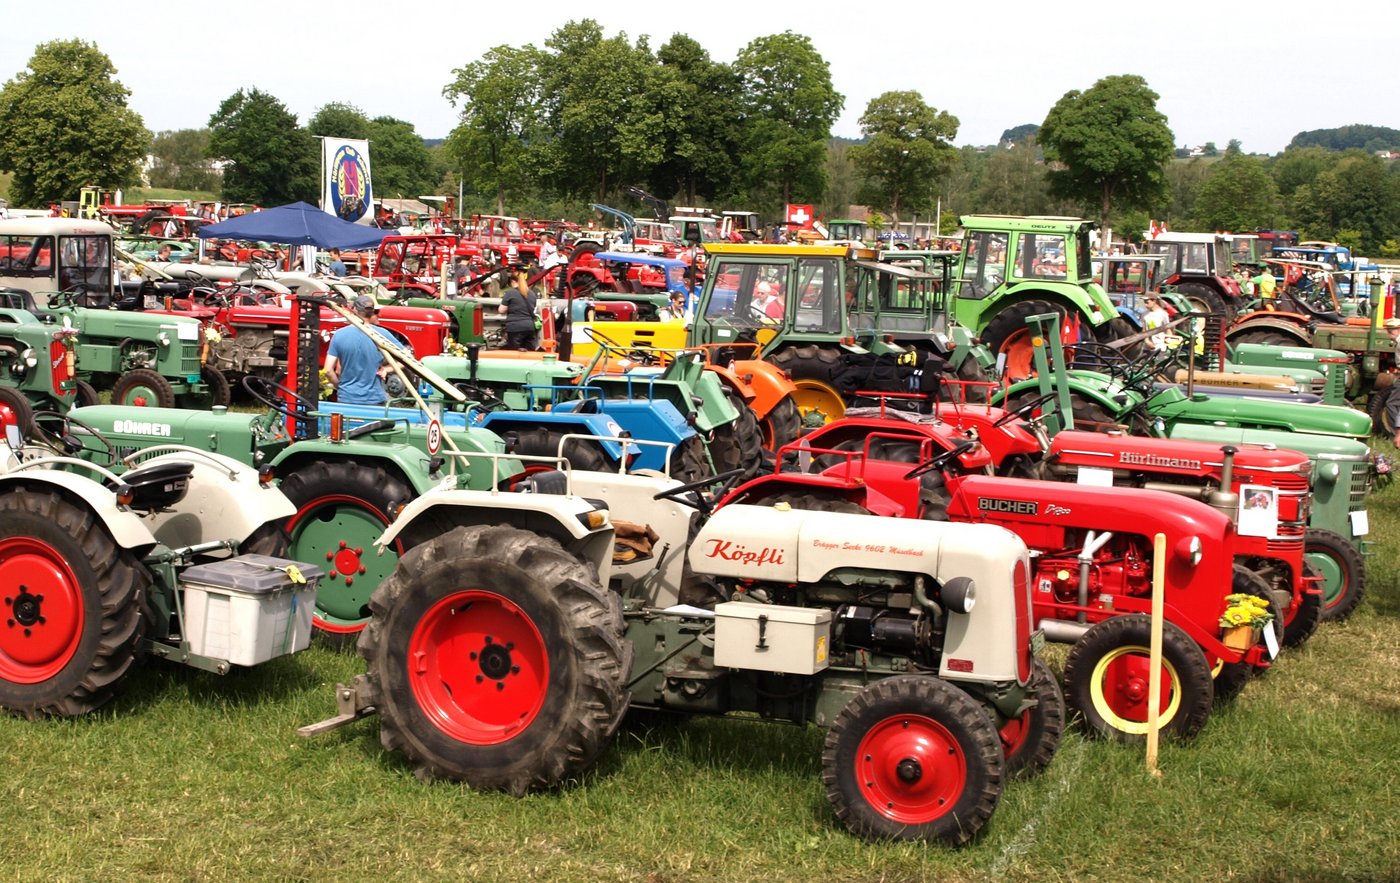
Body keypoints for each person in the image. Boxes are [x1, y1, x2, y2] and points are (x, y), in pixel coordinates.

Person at [324, 294, 404, 405]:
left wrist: (340, 386)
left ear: (354, 309)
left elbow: (328, 370)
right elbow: (407, 358)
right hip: (375, 399)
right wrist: (386, 369)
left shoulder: (339, 335)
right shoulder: (381, 334)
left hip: (346, 398)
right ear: (372, 312)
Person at [499, 267, 540, 350]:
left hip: (515, 327)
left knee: (515, 354)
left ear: (512, 281)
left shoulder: (510, 293)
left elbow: (501, 310)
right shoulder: (532, 294)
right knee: (530, 354)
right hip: (530, 327)